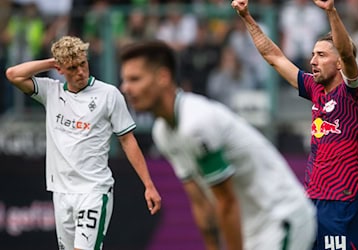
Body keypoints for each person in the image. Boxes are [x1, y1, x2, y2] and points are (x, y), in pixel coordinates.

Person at [119, 40, 316, 250]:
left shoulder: (196, 123)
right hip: (253, 230)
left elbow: (226, 203)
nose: (125, 88)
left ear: (163, 77)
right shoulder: (163, 133)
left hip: (280, 217)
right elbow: (202, 204)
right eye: (125, 80)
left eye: (135, 79)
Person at [231, 0, 358, 249]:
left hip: (341, 200)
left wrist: (330, 12)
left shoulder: (354, 93)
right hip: (311, 201)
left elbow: (347, 52)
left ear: (339, 63)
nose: (313, 60)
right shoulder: (315, 88)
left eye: (322, 55)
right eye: (313, 54)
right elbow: (273, 57)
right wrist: (247, 17)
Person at [5, 36, 161, 250]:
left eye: (83, 64)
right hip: (61, 192)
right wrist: (52, 62)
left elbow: (127, 140)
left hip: (93, 191)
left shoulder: (109, 95)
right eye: (72, 68)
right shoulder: (51, 92)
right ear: (60, 70)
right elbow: (13, 74)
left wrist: (149, 185)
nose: (80, 72)